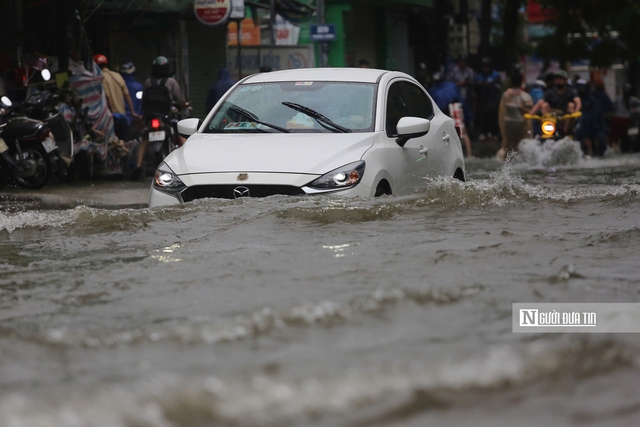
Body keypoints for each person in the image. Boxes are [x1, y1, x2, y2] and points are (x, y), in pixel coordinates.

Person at [131, 56, 186, 180]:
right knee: (181, 131)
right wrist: (183, 106)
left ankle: (138, 165)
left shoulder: (148, 82)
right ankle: (187, 157)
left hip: (151, 117)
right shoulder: (171, 81)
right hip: (166, 116)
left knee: (145, 138)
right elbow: (180, 99)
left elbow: (144, 100)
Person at [94, 54, 140, 139]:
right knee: (124, 140)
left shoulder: (100, 78)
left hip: (113, 117)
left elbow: (108, 98)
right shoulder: (117, 75)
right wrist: (132, 112)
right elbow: (127, 95)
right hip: (123, 116)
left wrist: (111, 113)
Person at [430, 72, 472, 157]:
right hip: (452, 107)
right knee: (461, 133)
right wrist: (468, 115)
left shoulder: (433, 90)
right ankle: (467, 154)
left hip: (448, 109)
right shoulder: (450, 86)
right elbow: (461, 101)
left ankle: (466, 154)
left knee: (455, 133)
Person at [496, 73, 533, 160]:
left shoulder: (506, 95)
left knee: (507, 146)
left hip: (508, 124)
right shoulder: (525, 96)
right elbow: (529, 111)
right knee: (520, 145)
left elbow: (502, 112)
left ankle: (506, 162)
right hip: (521, 124)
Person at [574, 79, 607, 156]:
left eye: (583, 88)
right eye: (579, 88)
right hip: (579, 129)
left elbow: (598, 115)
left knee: (600, 140)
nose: (581, 90)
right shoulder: (574, 100)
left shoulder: (593, 101)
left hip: (594, 127)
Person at [475, 56, 502, 140]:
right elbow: (476, 89)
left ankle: (495, 134)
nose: (485, 69)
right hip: (483, 101)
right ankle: (484, 133)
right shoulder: (479, 76)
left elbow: (499, 87)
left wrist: (489, 84)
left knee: (493, 117)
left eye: (487, 67)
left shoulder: (495, 75)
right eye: (484, 67)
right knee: (483, 117)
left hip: (493, 100)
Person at [447, 55, 475, 126]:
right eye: (461, 62)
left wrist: (467, 82)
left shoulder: (469, 71)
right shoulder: (454, 71)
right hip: (457, 95)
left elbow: (474, 81)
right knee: (458, 113)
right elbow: (450, 84)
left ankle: (469, 127)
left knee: (468, 113)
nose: (462, 63)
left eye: (464, 62)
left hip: (468, 95)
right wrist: (460, 83)